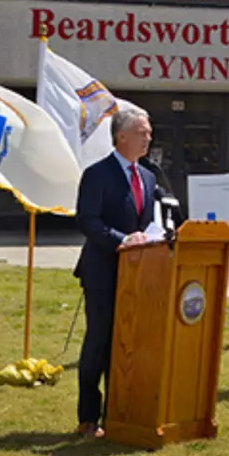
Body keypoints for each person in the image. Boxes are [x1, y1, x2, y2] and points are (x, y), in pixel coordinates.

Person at [73, 108, 157, 439]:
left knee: (129, 343)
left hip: (139, 273)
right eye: (142, 131)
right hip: (103, 270)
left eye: (149, 131)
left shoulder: (148, 176)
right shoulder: (98, 174)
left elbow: (145, 223)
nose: (148, 136)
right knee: (100, 341)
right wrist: (122, 240)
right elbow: (87, 220)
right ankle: (88, 417)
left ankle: (119, 413)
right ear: (121, 136)